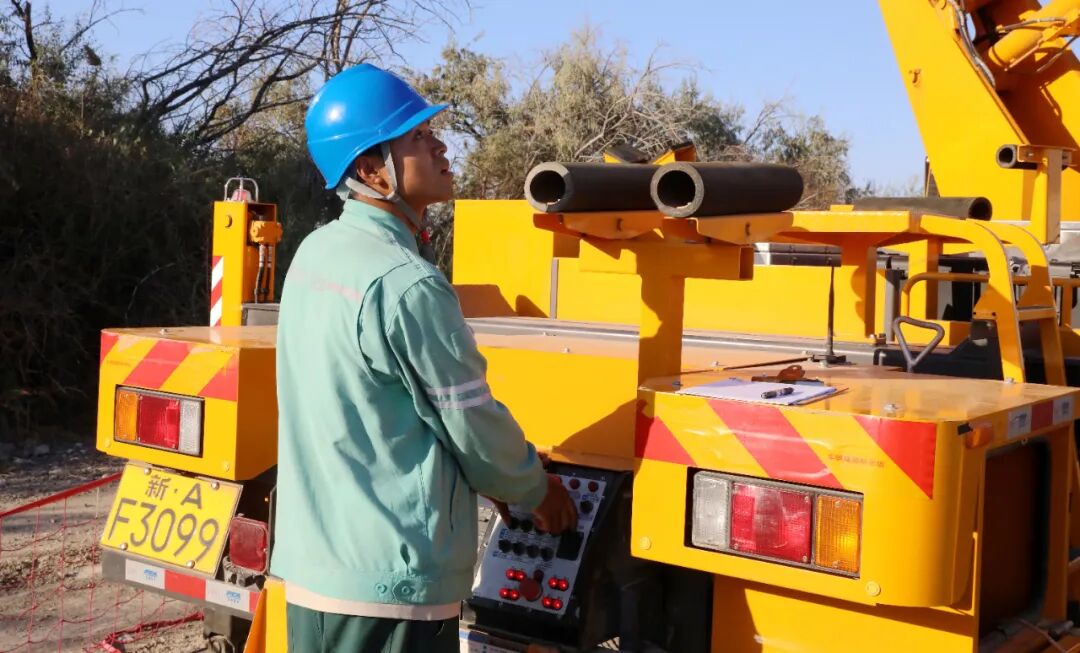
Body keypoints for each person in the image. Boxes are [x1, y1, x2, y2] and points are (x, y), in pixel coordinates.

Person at [271, 63, 578, 653]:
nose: (440, 145)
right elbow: (471, 423)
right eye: (416, 136)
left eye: (432, 131)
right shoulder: (406, 284)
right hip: (390, 587)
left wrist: (485, 476)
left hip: (316, 574)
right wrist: (536, 490)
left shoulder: (317, 252)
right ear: (371, 170)